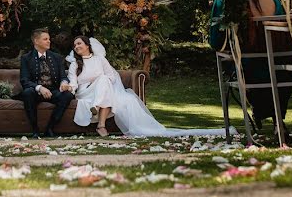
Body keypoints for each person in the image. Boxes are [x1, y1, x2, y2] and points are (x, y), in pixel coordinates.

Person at [69, 35, 229, 138]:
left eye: (79, 43)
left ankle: (100, 122)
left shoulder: (101, 60)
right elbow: (73, 81)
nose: (76, 46)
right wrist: (70, 87)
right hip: (86, 92)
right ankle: (99, 116)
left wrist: (100, 81)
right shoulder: (75, 63)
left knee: (104, 80)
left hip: (102, 90)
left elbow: (111, 76)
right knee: (103, 85)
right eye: (75, 45)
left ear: (88, 45)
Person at [208, 0, 292, 133]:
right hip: (281, 67)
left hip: (247, 67)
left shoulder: (222, 4)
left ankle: (264, 113)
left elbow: (216, 42)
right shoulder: (275, 2)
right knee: (278, 66)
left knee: (246, 66)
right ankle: (278, 119)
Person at [18, 29, 74, 138]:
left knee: (67, 95)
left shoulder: (56, 57)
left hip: (53, 90)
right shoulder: (26, 58)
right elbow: (24, 80)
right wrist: (39, 88)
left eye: (49, 39)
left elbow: (63, 76)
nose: (49, 41)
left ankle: (50, 129)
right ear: (36, 41)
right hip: (36, 92)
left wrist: (64, 83)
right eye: (45, 39)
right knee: (27, 93)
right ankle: (35, 131)